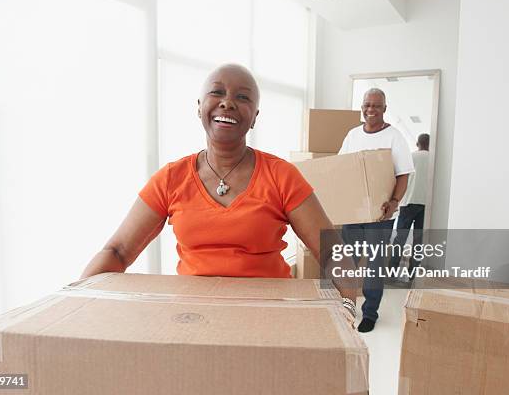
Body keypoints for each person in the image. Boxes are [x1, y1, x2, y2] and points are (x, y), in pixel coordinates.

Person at [80, 63, 356, 321]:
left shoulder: (281, 175)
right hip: (194, 317)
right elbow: (117, 251)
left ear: (255, 117)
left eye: (243, 97)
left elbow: (333, 252)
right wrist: (73, 302)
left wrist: (347, 311)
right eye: (217, 92)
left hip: (269, 317)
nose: (228, 102)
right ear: (199, 107)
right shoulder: (171, 178)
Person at [338, 88, 414, 333]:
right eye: (366, 105)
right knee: (348, 260)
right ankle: (347, 304)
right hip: (353, 210)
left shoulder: (394, 137)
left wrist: (394, 202)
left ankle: (370, 313)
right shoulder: (352, 135)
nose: (370, 109)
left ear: (384, 109)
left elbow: (403, 175)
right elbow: (342, 166)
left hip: (379, 214)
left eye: (376, 106)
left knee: (374, 262)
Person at [390, 133, 429, 276]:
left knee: (400, 238)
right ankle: (413, 274)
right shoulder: (434, 160)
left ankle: (392, 273)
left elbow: (398, 179)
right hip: (425, 204)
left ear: (418, 144)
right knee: (419, 241)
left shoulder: (411, 157)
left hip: (408, 203)